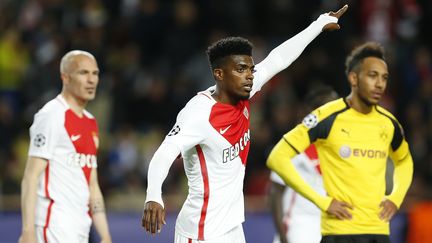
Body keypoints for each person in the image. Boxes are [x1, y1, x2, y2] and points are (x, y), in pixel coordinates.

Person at [142, 5, 348, 243]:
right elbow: (164, 153)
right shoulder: (198, 113)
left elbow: (278, 58)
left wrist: (318, 25)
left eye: (251, 69)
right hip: (200, 233)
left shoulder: (243, 92)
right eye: (241, 69)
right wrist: (153, 196)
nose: (250, 75)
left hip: (232, 228)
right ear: (219, 74)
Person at [267, 42, 414, 243]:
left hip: (378, 230)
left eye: (384, 78)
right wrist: (324, 202)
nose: (379, 84)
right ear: (353, 78)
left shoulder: (389, 123)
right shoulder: (327, 119)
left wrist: (395, 198)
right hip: (329, 231)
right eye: (372, 76)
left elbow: (405, 161)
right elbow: (277, 159)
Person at [19, 50, 112, 243]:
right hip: (53, 224)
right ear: (65, 78)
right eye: (83, 73)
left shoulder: (90, 122)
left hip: (80, 227)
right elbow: (31, 176)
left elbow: (92, 185)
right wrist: (27, 231)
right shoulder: (51, 116)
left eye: (95, 73)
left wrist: (105, 234)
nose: (91, 80)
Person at [269, 85, 338, 243]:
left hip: (328, 228)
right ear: (312, 112)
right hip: (298, 227)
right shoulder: (292, 145)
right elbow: (275, 193)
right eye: (329, 108)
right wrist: (284, 236)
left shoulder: (340, 146)